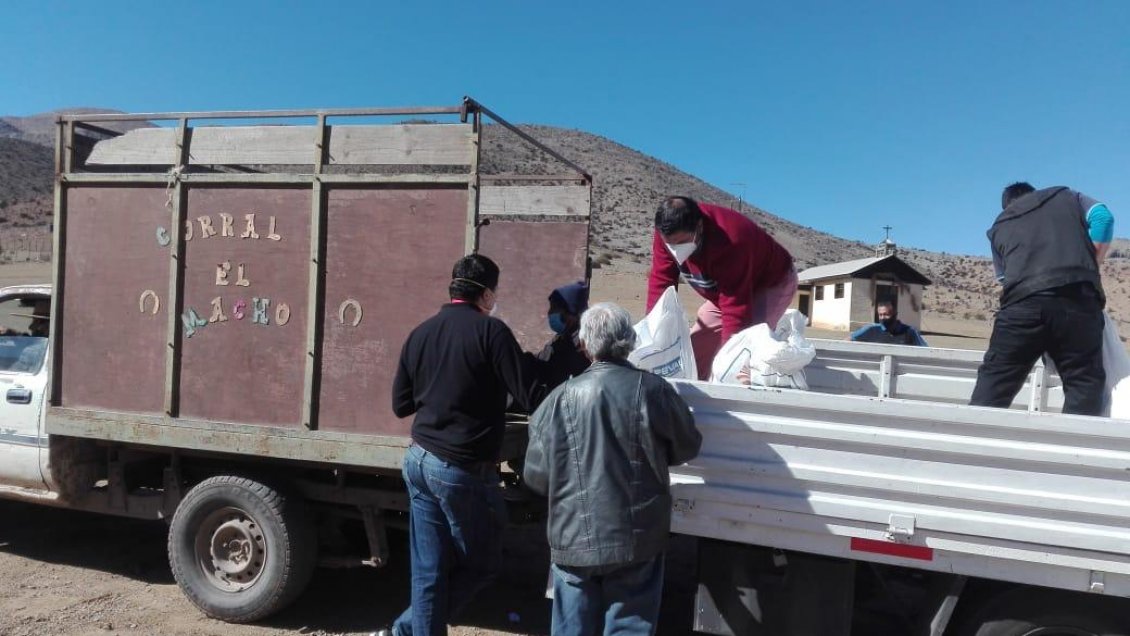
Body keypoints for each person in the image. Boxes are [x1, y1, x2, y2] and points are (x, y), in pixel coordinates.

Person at [524, 302, 703, 636]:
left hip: (572, 538)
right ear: (630, 340)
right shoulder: (655, 391)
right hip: (637, 538)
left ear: (584, 344)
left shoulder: (557, 400)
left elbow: (536, 476)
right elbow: (687, 445)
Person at [379, 255, 533, 636]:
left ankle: (404, 630)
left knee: (429, 572)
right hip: (460, 468)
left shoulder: (421, 333)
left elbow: (401, 405)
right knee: (481, 565)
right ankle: (403, 628)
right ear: (485, 293)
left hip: (418, 461)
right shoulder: (492, 332)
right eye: (494, 292)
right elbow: (528, 394)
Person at [970, 182, 1114, 415]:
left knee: (995, 383)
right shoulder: (1065, 196)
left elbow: (1004, 278)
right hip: (1077, 301)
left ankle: (969, 443)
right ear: (1034, 194)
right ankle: (1074, 449)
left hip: (1021, 306)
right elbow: (1102, 218)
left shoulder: (1001, 224)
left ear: (1007, 206)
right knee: (1083, 383)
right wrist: (1089, 267)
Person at [648, 196, 797, 380]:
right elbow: (661, 282)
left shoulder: (731, 239)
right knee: (693, 354)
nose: (676, 250)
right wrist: (655, 336)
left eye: (682, 242)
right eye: (671, 245)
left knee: (745, 350)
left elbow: (736, 310)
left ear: (699, 228)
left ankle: (742, 401)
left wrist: (731, 365)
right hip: (725, 292)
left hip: (770, 283)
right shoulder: (665, 233)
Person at [527, 281, 590, 405]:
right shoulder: (563, 337)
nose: (550, 313)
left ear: (572, 313)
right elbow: (543, 359)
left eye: (554, 309)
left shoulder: (582, 345)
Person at [3, 298, 50, 373]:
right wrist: (15, 335)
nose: (31, 327)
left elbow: (10, 378)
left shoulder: (33, 352)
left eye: (39, 321)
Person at [850, 300, 928, 346]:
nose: (882, 318)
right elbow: (847, 341)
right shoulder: (871, 329)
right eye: (880, 315)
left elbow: (925, 350)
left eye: (886, 314)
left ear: (895, 314)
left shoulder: (909, 331)